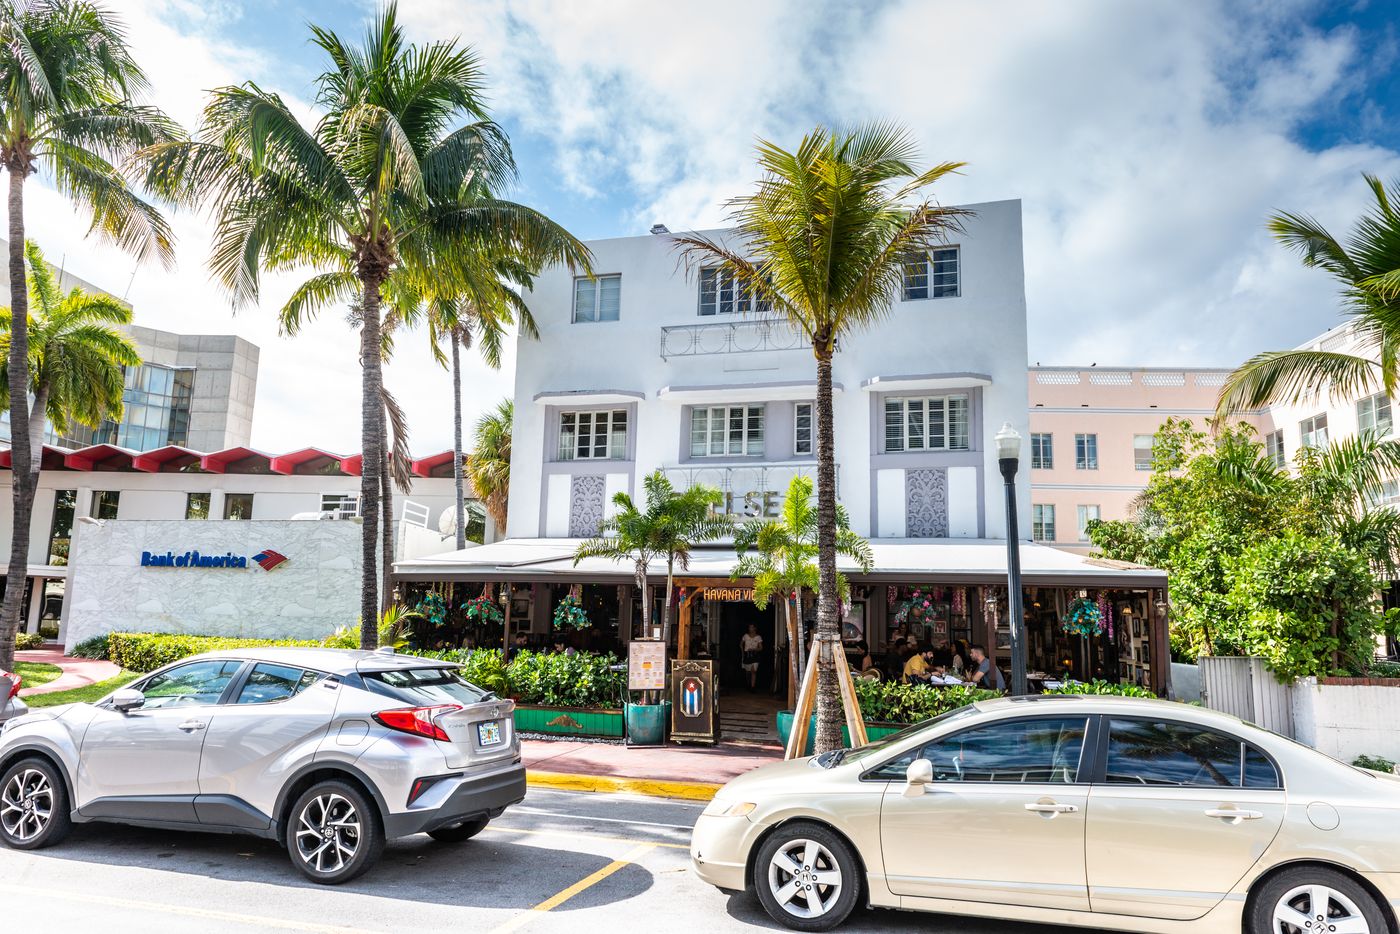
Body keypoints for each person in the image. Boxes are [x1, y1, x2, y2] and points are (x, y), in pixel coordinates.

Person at [740, 624, 763, 691]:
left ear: (755, 628)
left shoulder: (758, 637)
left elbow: (761, 648)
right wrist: (742, 652)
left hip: (755, 655)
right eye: (749, 627)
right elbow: (741, 644)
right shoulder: (745, 636)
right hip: (747, 655)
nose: (750, 629)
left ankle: (753, 687)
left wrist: (754, 649)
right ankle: (748, 685)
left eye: (751, 627)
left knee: (754, 671)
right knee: (748, 672)